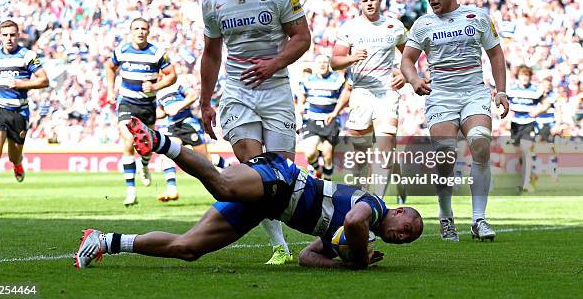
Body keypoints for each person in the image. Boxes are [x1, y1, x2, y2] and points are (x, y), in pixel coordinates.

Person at [74, 117, 423, 270]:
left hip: (268, 204)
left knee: (189, 249)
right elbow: (353, 220)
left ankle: (103, 241)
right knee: (224, 183)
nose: (402, 237)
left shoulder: (357, 235)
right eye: (408, 228)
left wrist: (341, 262)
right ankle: (161, 141)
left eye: (407, 241)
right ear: (401, 211)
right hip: (283, 180)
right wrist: (359, 259)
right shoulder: (375, 206)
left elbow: (307, 258)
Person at [200, 0, 311, 264]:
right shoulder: (213, 1)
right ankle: (280, 246)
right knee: (254, 169)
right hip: (237, 92)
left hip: (275, 90)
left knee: (282, 174)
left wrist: (273, 64)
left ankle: (317, 230)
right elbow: (211, 54)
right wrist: (205, 101)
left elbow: (302, 38)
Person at [401, 0, 509, 242]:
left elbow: (496, 54)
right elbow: (407, 60)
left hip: (474, 92)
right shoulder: (423, 24)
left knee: (480, 143)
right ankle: (446, 216)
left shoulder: (478, 17)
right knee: (445, 156)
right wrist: (414, 79)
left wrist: (502, 92)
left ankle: (478, 220)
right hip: (441, 95)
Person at [330, 0, 407, 200]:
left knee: (385, 143)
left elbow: (411, 55)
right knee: (360, 155)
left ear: (380, 1)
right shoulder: (350, 28)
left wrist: (405, 74)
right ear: (360, 4)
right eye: (365, 1)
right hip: (361, 92)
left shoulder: (394, 26)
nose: (370, 3)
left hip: (386, 92)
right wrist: (351, 58)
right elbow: (334, 61)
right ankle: (388, 182)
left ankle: (378, 202)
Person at [0, 20, 49, 214]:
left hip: (18, 113)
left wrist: (20, 83)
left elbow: (44, 80)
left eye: (12, 35)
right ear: (0, 36)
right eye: (5, 35)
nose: (9, 39)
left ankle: (17, 164)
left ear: (18, 36)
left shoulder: (27, 56)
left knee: (13, 156)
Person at [105, 18, 176, 206]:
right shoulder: (121, 51)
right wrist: (111, 89)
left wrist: (155, 85)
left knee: (147, 146)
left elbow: (172, 75)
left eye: (144, 28)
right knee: (128, 140)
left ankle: (144, 165)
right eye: (136, 28)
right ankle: (130, 191)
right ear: (131, 31)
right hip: (127, 103)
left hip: (148, 106)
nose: (140, 31)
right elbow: (110, 67)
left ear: (148, 32)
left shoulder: (157, 53)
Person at [155, 73, 230, 202]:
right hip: (172, 127)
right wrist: (157, 113)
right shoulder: (158, 94)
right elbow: (160, 111)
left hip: (188, 124)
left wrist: (177, 107)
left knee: (205, 160)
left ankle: (231, 170)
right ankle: (172, 189)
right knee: (166, 153)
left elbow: (193, 95)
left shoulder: (177, 85)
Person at [297, 55, 347, 180]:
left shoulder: (338, 80)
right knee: (310, 153)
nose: (322, 65)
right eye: (319, 62)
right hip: (311, 120)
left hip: (330, 121)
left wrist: (335, 112)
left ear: (329, 64)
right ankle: (317, 170)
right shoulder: (308, 80)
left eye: (325, 62)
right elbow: (301, 95)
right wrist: (301, 105)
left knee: (328, 154)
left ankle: (327, 183)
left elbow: (345, 96)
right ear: (315, 64)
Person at [507, 65, 544, 193]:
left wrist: (539, 110)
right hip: (515, 124)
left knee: (526, 151)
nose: (525, 78)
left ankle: (526, 183)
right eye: (523, 75)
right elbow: (503, 103)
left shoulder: (535, 90)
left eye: (527, 75)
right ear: (519, 76)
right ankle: (524, 178)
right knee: (519, 155)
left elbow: (545, 103)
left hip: (529, 123)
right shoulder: (511, 89)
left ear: (529, 77)